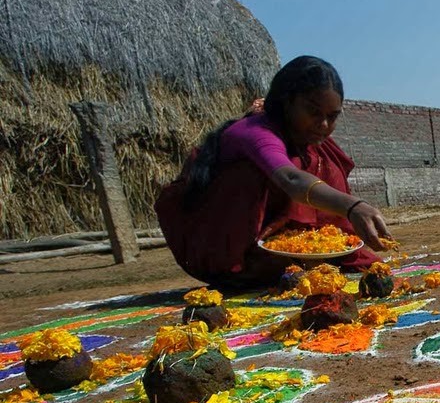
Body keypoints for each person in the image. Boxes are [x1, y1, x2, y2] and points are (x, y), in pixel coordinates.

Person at [156, 56, 393, 287]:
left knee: (322, 160)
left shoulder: (307, 141)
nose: (323, 125)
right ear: (287, 102)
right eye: (313, 112)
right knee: (252, 174)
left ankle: (306, 255)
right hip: (223, 245)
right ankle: (255, 265)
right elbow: (290, 178)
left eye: (332, 117)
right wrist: (351, 206)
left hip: (286, 248)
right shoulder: (255, 131)